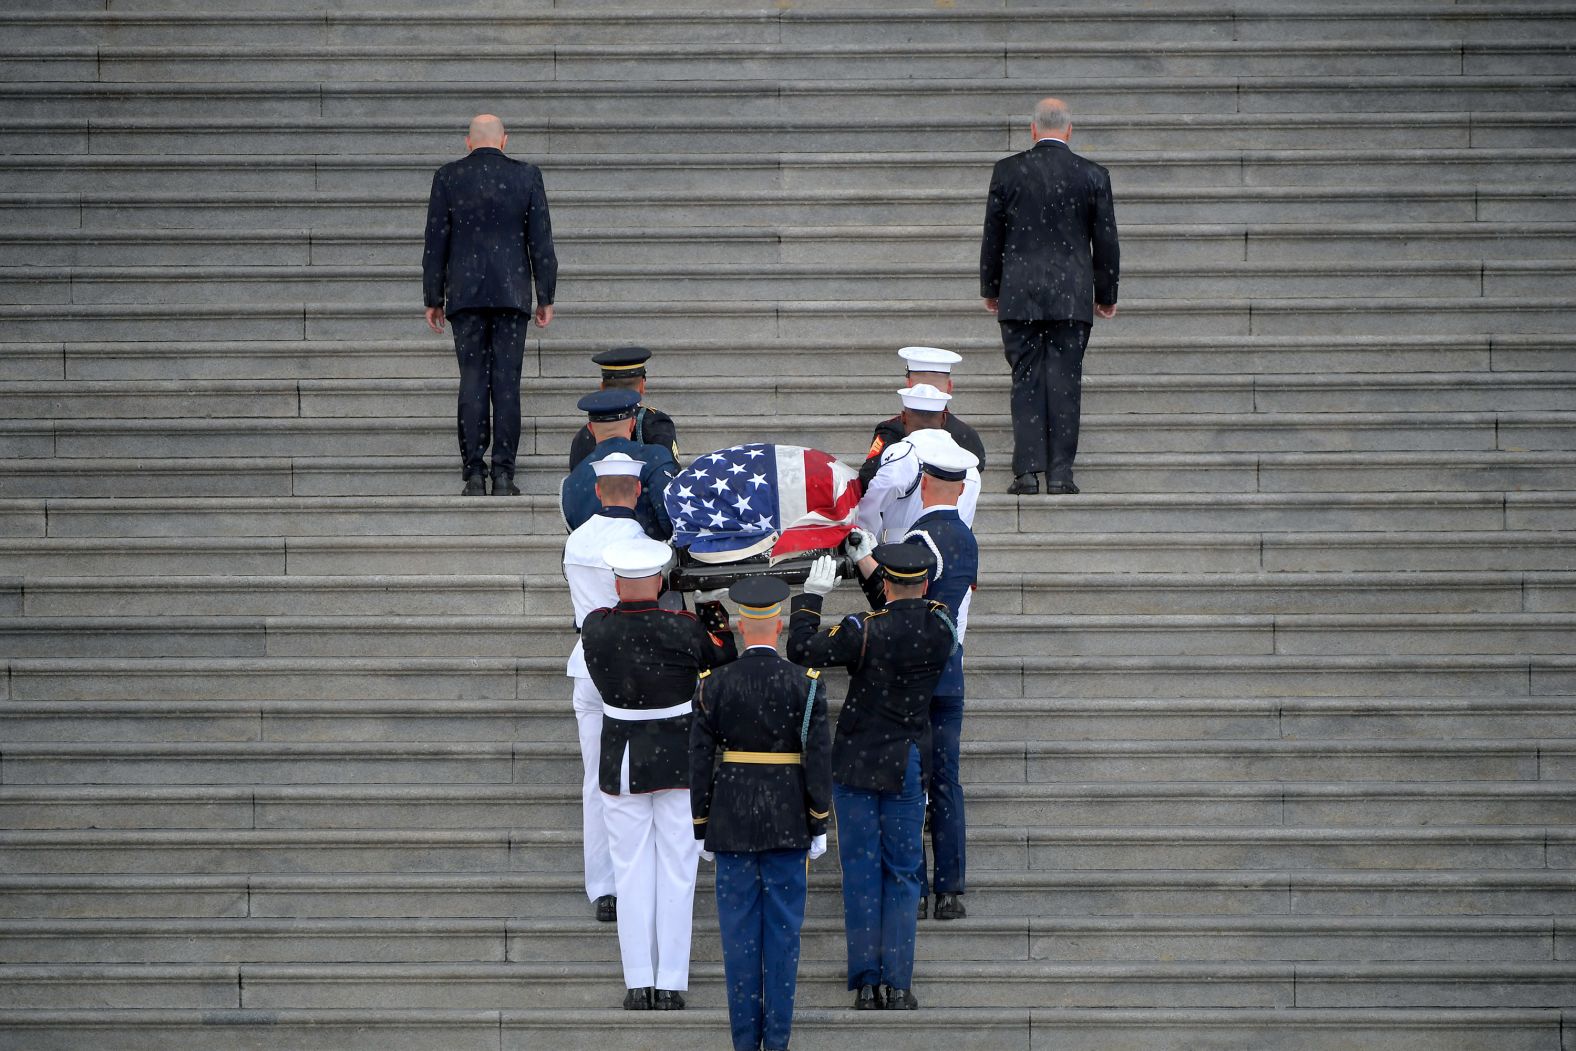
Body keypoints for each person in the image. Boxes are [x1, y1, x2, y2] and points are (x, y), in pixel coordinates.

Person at [787, 544, 957, 1011]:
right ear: (926, 584)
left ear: (885, 584)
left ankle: (865, 982)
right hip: (907, 761)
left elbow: (802, 649)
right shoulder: (941, 625)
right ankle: (898, 984)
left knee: (862, 873)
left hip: (857, 764)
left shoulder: (864, 630)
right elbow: (899, 615)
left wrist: (810, 598)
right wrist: (877, 580)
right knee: (902, 875)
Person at [581, 536, 738, 1011]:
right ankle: (670, 983)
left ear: (615, 582)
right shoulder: (683, 628)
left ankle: (637, 983)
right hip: (678, 758)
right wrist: (709, 606)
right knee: (677, 872)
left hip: (622, 761)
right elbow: (724, 655)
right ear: (661, 581)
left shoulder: (596, 627)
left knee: (630, 873)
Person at [690, 576, 833, 1051]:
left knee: (738, 944)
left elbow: (699, 759)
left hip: (731, 822)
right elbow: (817, 758)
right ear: (778, 624)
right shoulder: (805, 684)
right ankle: (777, 1042)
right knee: (783, 943)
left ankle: (744, 1042)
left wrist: (701, 823)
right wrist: (818, 819)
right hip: (788, 819)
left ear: (738, 625)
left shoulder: (715, 683)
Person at [855, 431, 980, 922]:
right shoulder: (967, 538)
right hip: (951, 671)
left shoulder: (918, 541)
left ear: (924, 484)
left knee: (915, 781)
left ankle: (919, 886)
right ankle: (951, 888)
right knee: (947, 778)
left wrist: (862, 553)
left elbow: (894, 605)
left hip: (914, 676)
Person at [980, 96, 1119, 496]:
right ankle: (1061, 473)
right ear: (1069, 130)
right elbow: (1105, 240)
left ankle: (1026, 472)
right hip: (1071, 297)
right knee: (1065, 380)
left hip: (1020, 293)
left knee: (1025, 379)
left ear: (1033, 129)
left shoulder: (1007, 172)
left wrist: (992, 287)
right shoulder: (1092, 175)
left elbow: (995, 236)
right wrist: (1105, 292)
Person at [422, 114, 558, 497]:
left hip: (465, 295)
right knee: (506, 383)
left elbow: (436, 242)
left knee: (472, 380)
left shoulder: (448, 177)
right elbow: (541, 241)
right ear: (504, 141)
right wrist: (545, 294)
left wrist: (433, 297)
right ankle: (504, 473)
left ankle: (474, 472)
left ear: (468, 142)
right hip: (511, 294)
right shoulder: (527, 176)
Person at [562, 452, 650, 923]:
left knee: (596, 779)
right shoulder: (647, 545)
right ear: (637, 492)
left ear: (598, 491)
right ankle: (635, 875)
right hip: (635, 666)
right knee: (640, 779)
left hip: (587, 665)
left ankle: (605, 886)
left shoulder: (576, 541)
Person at [856, 384, 980, 544]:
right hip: (950, 553)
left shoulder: (903, 453)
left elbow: (877, 498)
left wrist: (866, 535)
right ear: (943, 418)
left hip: (900, 556)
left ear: (903, 417)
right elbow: (964, 520)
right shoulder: (968, 465)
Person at [858, 346, 985, 491]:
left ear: (909, 386)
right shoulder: (968, 435)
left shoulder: (891, 429)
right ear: (950, 387)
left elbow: (869, 479)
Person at [561, 389, 678, 539]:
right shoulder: (655, 457)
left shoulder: (572, 481)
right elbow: (671, 521)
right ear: (633, 424)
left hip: (592, 560)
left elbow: (577, 534)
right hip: (647, 558)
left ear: (590, 429)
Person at [568, 346, 680, 471]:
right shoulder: (655, 423)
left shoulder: (586, 433)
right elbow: (671, 478)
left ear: (602, 387)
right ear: (642, 385)